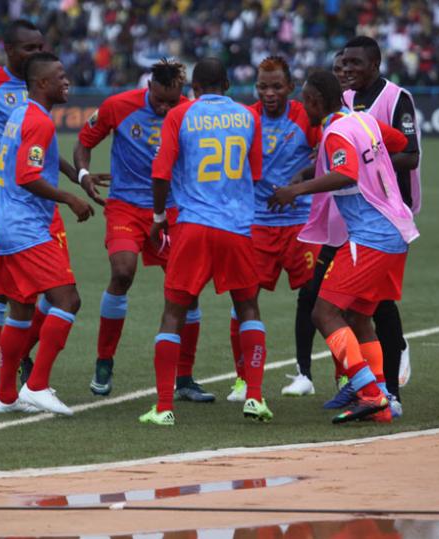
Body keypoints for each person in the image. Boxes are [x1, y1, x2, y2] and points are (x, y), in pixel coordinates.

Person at [269, 70, 416, 424]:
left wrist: (295, 191)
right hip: (396, 229)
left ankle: (368, 394)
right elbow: (395, 143)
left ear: (318, 101)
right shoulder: (363, 120)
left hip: (371, 235)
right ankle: (382, 400)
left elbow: (346, 174)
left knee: (323, 312)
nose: (303, 107)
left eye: (305, 100)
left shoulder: (334, 132)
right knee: (360, 317)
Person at [0, 20, 74, 408]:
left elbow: (42, 156)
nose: (37, 52)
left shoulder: (25, 107)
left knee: (30, 298)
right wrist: (2, 152)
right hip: (12, 203)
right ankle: (6, 385)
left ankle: (10, 389)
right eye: (29, 48)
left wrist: (79, 175)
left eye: (42, 45)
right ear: (8, 50)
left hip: (31, 207)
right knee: (32, 297)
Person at [74, 59, 214, 402]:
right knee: (122, 272)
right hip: (126, 206)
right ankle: (104, 361)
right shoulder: (118, 106)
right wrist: (83, 175)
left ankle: (184, 378)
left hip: (176, 208)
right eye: (160, 100)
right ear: (148, 87)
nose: (166, 107)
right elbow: (84, 142)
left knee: (188, 291)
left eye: (172, 101)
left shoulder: (190, 111)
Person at [140, 57, 267, 426]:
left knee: (174, 313)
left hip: (193, 226)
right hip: (238, 228)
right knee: (248, 309)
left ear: (193, 88)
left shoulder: (180, 116)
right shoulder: (249, 117)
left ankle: (164, 407)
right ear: (228, 84)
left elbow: (160, 173)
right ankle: (255, 397)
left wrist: (159, 217)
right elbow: (254, 173)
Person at [0, 51, 94, 415]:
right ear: (42, 83)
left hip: (2, 225)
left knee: (20, 309)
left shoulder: (21, 114)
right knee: (68, 300)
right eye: (61, 76)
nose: (67, 82)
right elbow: (28, 175)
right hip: (24, 228)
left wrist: (76, 176)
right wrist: (70, 198)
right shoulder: (40, 122)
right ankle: (36, 385)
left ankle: (5, 396)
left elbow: (41, 161)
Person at [226, 56, 321, 402]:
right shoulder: (247, 119)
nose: (269, 93)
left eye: (276, 86)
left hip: (302, 223)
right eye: (262, 86)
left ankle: (327, 376)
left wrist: (300, 178)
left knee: (321, 299)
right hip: (258, 225)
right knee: (244, 300)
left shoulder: (304, 116)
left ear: (290, 87)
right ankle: (243, 381)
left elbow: (328, 150)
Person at [341, 35, 421, 403]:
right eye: (345, 64)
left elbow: (411, 156)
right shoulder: (344, 98)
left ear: (374, 65)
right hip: (354, 213)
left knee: (375, 300)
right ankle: (364, 381)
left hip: (389, 211)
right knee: (353, 298)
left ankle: (387, 378)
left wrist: (366, 160)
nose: (349, 70)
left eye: (356, 64)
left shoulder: (396, 98)